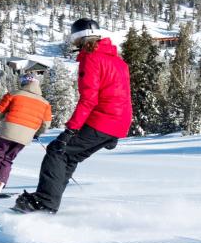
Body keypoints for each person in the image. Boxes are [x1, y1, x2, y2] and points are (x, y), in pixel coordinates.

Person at [13, 18, 132, 214]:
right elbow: (123, 94)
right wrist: (116, 130)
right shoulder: (118, 61)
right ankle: (49, 202)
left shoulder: (91, 58)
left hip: (102, 119)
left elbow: (89, 99)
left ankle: (45, 202)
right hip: (116, 122)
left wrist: (71, 130)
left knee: (57, 150)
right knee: (69, 156)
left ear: (78, 38)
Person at [0, 73, 52, 195]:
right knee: (8, 159)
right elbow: (46, 124)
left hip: (7, 131)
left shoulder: (14, 94)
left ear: (24, 83)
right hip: (25, 137)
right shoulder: (45, 103)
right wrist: (37, 133)